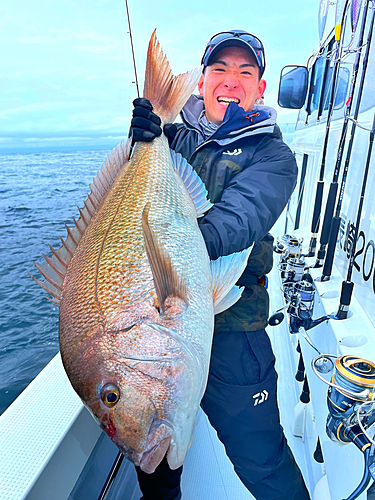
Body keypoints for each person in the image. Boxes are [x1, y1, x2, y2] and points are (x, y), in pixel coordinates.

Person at [129, 30, 310, 500]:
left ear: (260, 90)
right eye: (220, 71)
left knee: (262, 457)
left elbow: (238, 220)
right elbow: (132, 210)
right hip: (163, 321)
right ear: (202, 81)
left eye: (244, 73)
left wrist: (175, 245)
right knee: (157, 459)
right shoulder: (167, 142)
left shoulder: (273, 155)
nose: (231, 81)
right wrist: (140, 143)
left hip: (233, 325)